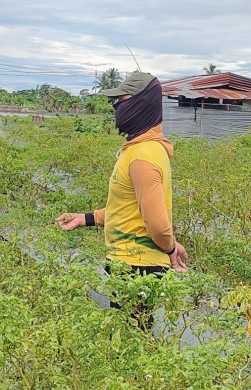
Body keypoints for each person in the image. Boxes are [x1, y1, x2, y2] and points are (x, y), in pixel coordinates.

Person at [56, 72, 189, 329]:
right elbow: (128, 209)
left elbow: (157, 224)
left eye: (122, 101)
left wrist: (171, 250)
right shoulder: (141, 150)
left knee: (131, 341)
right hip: (131, 264)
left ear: (142, 104)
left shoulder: (143, 157)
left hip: (136, 267)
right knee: (131, 337)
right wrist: (85, 219)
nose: (117, 108)